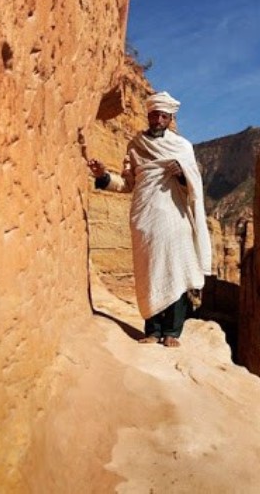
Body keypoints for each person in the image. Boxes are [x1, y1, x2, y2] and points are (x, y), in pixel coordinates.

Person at [88, 91, 212, 348]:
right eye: (154, 114)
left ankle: (172, 332)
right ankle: (152, 330)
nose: (158, 119)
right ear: (148, 115)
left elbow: (195, 187)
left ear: (170, 119)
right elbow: (127, 184)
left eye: (163, 115)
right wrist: (103, 176)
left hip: (174, 219)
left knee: (175, 271)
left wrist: (181, 175)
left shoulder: (182, 147)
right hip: (145, 218)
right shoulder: (135, 145)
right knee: (148, 272)